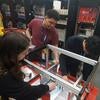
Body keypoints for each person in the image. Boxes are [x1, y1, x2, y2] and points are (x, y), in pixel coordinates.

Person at [0, 32, 56, 100]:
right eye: (24, 53)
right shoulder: (5, 77)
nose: (26, 54)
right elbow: (28, 92)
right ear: (13, 54)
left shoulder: (5, 57)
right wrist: (47, 87)